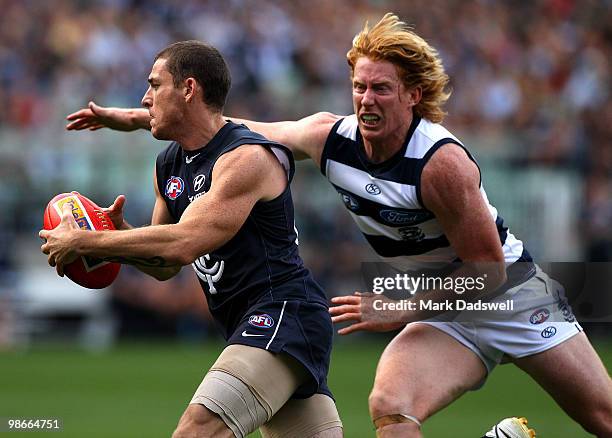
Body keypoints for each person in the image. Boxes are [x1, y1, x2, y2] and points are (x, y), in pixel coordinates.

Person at [65, 15, 612, 438]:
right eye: (359, 86)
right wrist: (133, 119)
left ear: (413, 96)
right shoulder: (331, 138)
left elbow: (488, 274)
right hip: (439, 304)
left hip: (506, 293)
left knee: (601, 417)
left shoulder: (441, 164)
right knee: (390, 405)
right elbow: (230, 127)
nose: (365, 100)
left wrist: (398, 306)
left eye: (382, 89)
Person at [44, 40, 343, 438]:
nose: (145, 97)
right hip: (251, 324)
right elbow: (167, 265)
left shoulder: (245, 158)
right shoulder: (169, 163)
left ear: (188, 89)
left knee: (196, 431)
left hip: (284, 315)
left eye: (154, 84)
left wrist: (84, 242)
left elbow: (184, 242)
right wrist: (120, 235)